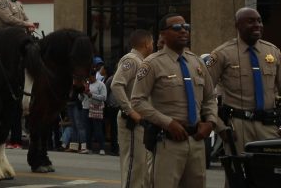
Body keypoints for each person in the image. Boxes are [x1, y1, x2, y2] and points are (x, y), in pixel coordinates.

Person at [131, 13, 217, 187]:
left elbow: (210, 97)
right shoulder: (152, 64)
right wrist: (167, 123)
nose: (183, 31)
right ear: (163, 34)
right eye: (177, 28)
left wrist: (211, 122)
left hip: (197, 141)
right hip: (168, 142)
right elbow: (137, 101)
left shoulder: (197, 63)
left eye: (186, 27)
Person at [206, 7, 281, 157]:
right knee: (238, 177)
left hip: (269, 125)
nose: (257, 25)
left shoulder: (273, 52)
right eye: (250, 21)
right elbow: (203, 94)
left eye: (259, 21)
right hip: (238, 126)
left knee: (270, 175)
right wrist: (220, 127)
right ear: (237, 25)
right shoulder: (222, 54)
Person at [0, 0, 34, 149]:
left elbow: (24, 17)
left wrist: (28, 25)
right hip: (4, 40)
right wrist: (26, 23)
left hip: (18, 37)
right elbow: (9, 20)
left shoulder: (19, 3)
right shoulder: (1, 2)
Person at [111, 29, 153, 188]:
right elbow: (116, 84)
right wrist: (130, 111)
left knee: (141, 167)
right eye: (152, 43)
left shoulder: (142, 61)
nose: (153, 46)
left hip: (142, 121)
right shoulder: (131, 60)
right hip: (132, 122)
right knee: (133, 168)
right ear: (146, 44)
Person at [82, 69, 107, 155]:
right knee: (88, 129)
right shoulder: (86, 84)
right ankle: (88, 148)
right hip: (86, 108)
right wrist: (82, 94)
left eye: (90, 77)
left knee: (98, 129)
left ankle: (102, 148)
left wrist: (92, 95)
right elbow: (81, 98)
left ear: (93, 76)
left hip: (96, 109)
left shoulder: (101, 85)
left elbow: (104, 97)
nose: (89, 79)